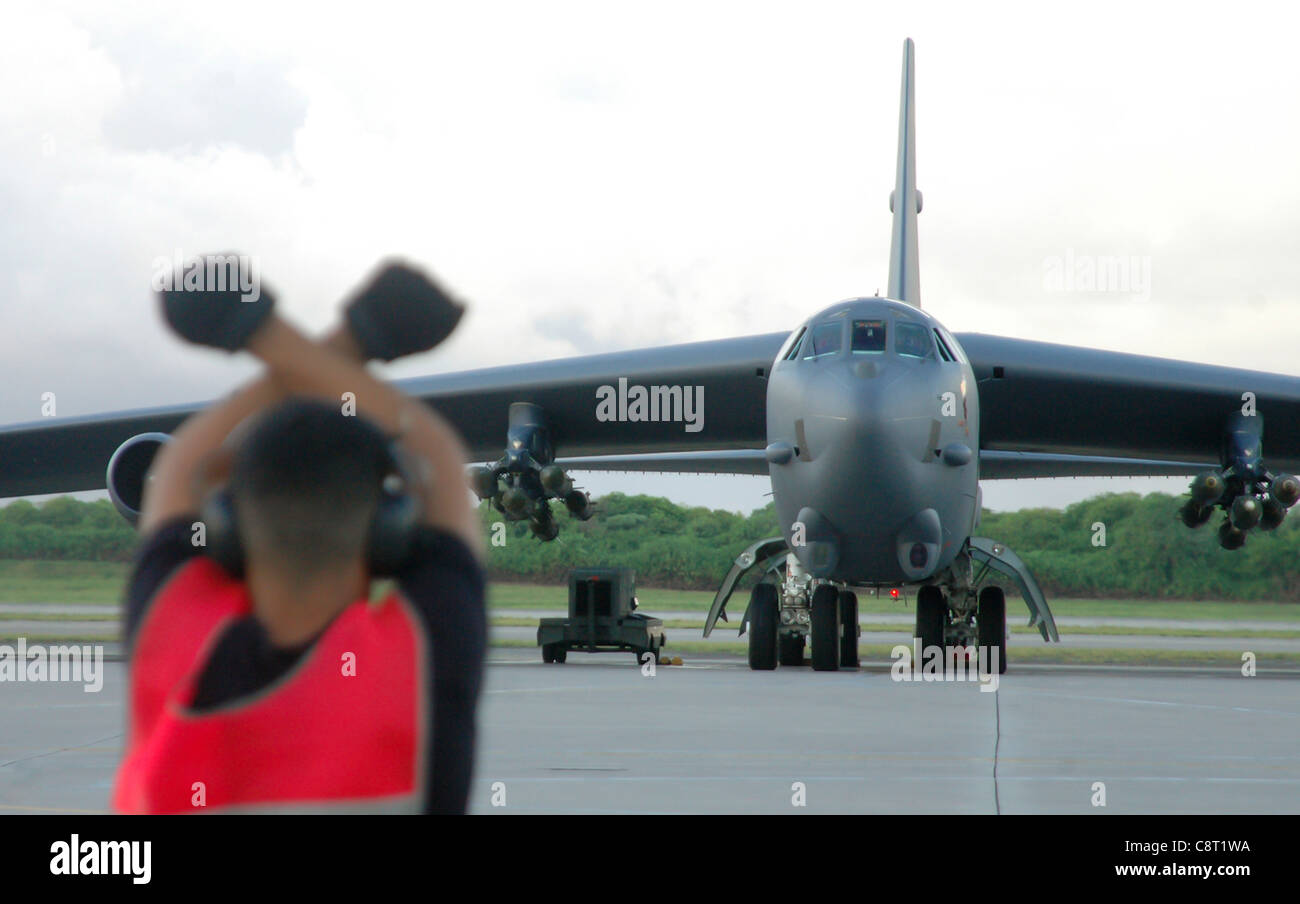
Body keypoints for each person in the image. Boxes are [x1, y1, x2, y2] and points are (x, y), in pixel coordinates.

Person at [111, 260, 486, 814]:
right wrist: (343, 342)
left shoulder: (176, 648)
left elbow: (174, 471)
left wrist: (268, 336)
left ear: (229, 524)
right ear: (387, 533)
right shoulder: (422, 659)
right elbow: (439, 458)